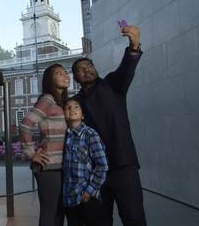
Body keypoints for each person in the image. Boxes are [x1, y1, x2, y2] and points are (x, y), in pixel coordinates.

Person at [71, 24, 146, 226]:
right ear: (75, 78)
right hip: (94, 172)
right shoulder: (74, 103)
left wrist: (134, 45)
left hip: (122, 164)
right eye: (80, 69)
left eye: (89, 66)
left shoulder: (113, 84)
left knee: (134, 218)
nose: (86, 70)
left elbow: (126, 69)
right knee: (99, 221)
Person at [20, 63, 70, 226]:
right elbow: (26, 124)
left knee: (58, 212)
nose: (65, 75)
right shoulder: (48, 100)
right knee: (50, 213)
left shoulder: (60, 102)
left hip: (59, 166)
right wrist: (31, 153)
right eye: (59, 73)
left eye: (65, 73)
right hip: (48, 166)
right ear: (50, 79)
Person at [62, 98, 108, 226]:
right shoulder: (65, 137)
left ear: (83, 115)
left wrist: (90, 190)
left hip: (87, 197)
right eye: (68, 107)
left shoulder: (90, 134)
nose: (71, 109)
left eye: (76, 106)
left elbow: (102, 165)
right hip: (70, 199)